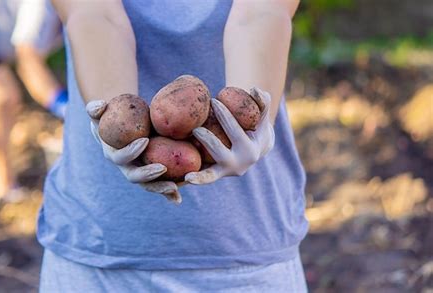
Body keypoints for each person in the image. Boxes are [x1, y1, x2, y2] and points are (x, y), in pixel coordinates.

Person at [39, 0, 308, 291]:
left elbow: (261, 13)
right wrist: (116, 121)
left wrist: (249, 123)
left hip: (247, 248)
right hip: (95, 246)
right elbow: (94, 14)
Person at [0, 0, 66, 202]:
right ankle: (3, 189)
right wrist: (61, 104)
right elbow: (28, 59)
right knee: (3, 98)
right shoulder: (44, 5)